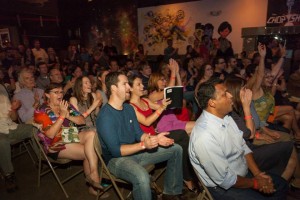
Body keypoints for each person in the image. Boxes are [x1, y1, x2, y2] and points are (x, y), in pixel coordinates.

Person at [189, 78, 288, 199]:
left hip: (242, 174)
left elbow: (243, 146)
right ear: (212, 103)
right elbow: (225, 180)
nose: (231, 95)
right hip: (224, 188)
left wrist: (258, 174)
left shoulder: (226, 117)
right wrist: (256, 183)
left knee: (281, 185)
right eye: (225, 94)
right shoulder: (204, 136)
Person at [96, 71, 184, 200]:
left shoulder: (129, 109)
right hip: (116, 161)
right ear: (113, 88)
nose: (129, 87)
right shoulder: (105, 116)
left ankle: (170, 194)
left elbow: (139, 134)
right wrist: (144, 145)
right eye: (125, 84)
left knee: (176, 149)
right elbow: (116, 151)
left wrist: (154, 139)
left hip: (136, 152)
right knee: (141, 176)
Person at [129, 74, 198, 195]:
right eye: (138, 84)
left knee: (183, 138)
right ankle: (188, 177)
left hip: (157, 136)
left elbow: (161, 107)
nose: (142, 86)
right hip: (148, 142)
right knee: (182, 136)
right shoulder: (130, 107)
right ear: (130, 89)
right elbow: (147, 121)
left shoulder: (145, 100)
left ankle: (188, 175)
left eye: (142, 83)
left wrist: (171, 102)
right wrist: (162, 107)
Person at [34, 83, 102, 195]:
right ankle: (93, 184)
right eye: (56, 92)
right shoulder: (41, 111)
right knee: (90, 151)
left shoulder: (66, 105)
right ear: (47, 94)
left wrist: (67, 115)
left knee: (92, 134)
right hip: (55, 144)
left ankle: (93, 173)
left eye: (61, 92)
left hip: (69, 134)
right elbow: (50, 134)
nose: (60, 95)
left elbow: (82, 121)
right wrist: (61, 116)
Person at [0, 83, 35, 192]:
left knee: (33, 129)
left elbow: (14, 118)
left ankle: (42, 158)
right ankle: (9, 175)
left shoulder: (3, 97)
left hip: (11, 127)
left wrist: (14, 109)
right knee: (2, 142)